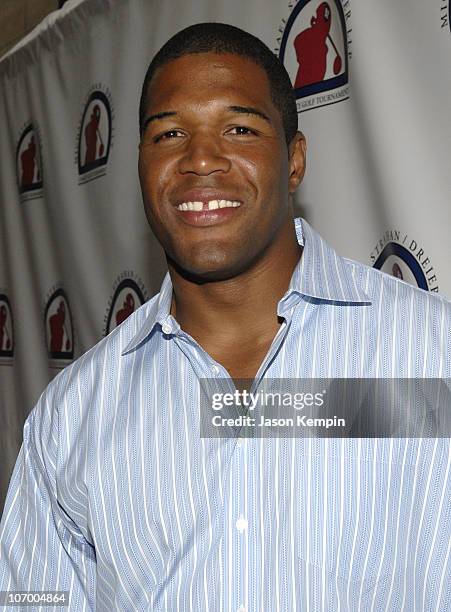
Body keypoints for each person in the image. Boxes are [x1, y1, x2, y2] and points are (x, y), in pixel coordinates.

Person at [1, 22, 450, 612]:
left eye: (239, 128)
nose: (201, 160)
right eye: (169, 134)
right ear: (139, 166)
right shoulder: (71, 416)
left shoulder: (430, 355)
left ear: (294, 160)